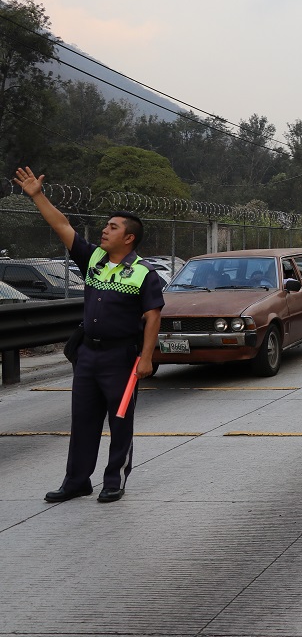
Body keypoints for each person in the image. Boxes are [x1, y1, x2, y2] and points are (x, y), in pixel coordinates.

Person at [13, 167, 164, 504]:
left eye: (113, 227)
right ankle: (77, 481)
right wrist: (37, 195)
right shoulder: (94, 258)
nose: (104, 231)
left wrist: (147, 358)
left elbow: (153, 316)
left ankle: (114, 481)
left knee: (120, 420)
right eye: (106, 225)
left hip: (122, 357)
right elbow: (61, 225)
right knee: (83, 420)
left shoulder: (143, 273)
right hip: (88, 355)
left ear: (129, 238)